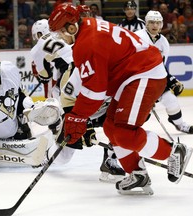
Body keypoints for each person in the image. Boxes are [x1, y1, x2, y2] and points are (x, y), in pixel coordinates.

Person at [48, 3, 192, 195]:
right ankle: (137, 173)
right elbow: (97, 85)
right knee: (110, 127)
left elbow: (95, 90)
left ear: (72, 27)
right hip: (133, 76)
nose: (59, 37)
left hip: (144, 74)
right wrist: (79, 116)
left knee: (124, 132)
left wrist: (78, 116)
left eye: (60, 32)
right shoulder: (89, 25)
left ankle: (173, 152)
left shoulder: (85, 44)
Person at [31, 17, 125, 183]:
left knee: (66, 153)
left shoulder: (39, 48)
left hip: (72, 89)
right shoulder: (76, 38)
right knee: (117, 122)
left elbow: (44, 75)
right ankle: (110, 159)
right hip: (84, 87)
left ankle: (47, 155)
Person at [135, 10, 193, 134]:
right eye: (151, 22)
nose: (155, 25)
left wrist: (170, 80)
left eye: (158, 23)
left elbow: (160, 67)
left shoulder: (164, 42)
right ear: (146, 23)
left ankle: (180, 124)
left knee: (171, 100)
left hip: (154, 80)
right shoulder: (138, 37)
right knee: (141, 114)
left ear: (161, 25)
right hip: (137, 81)